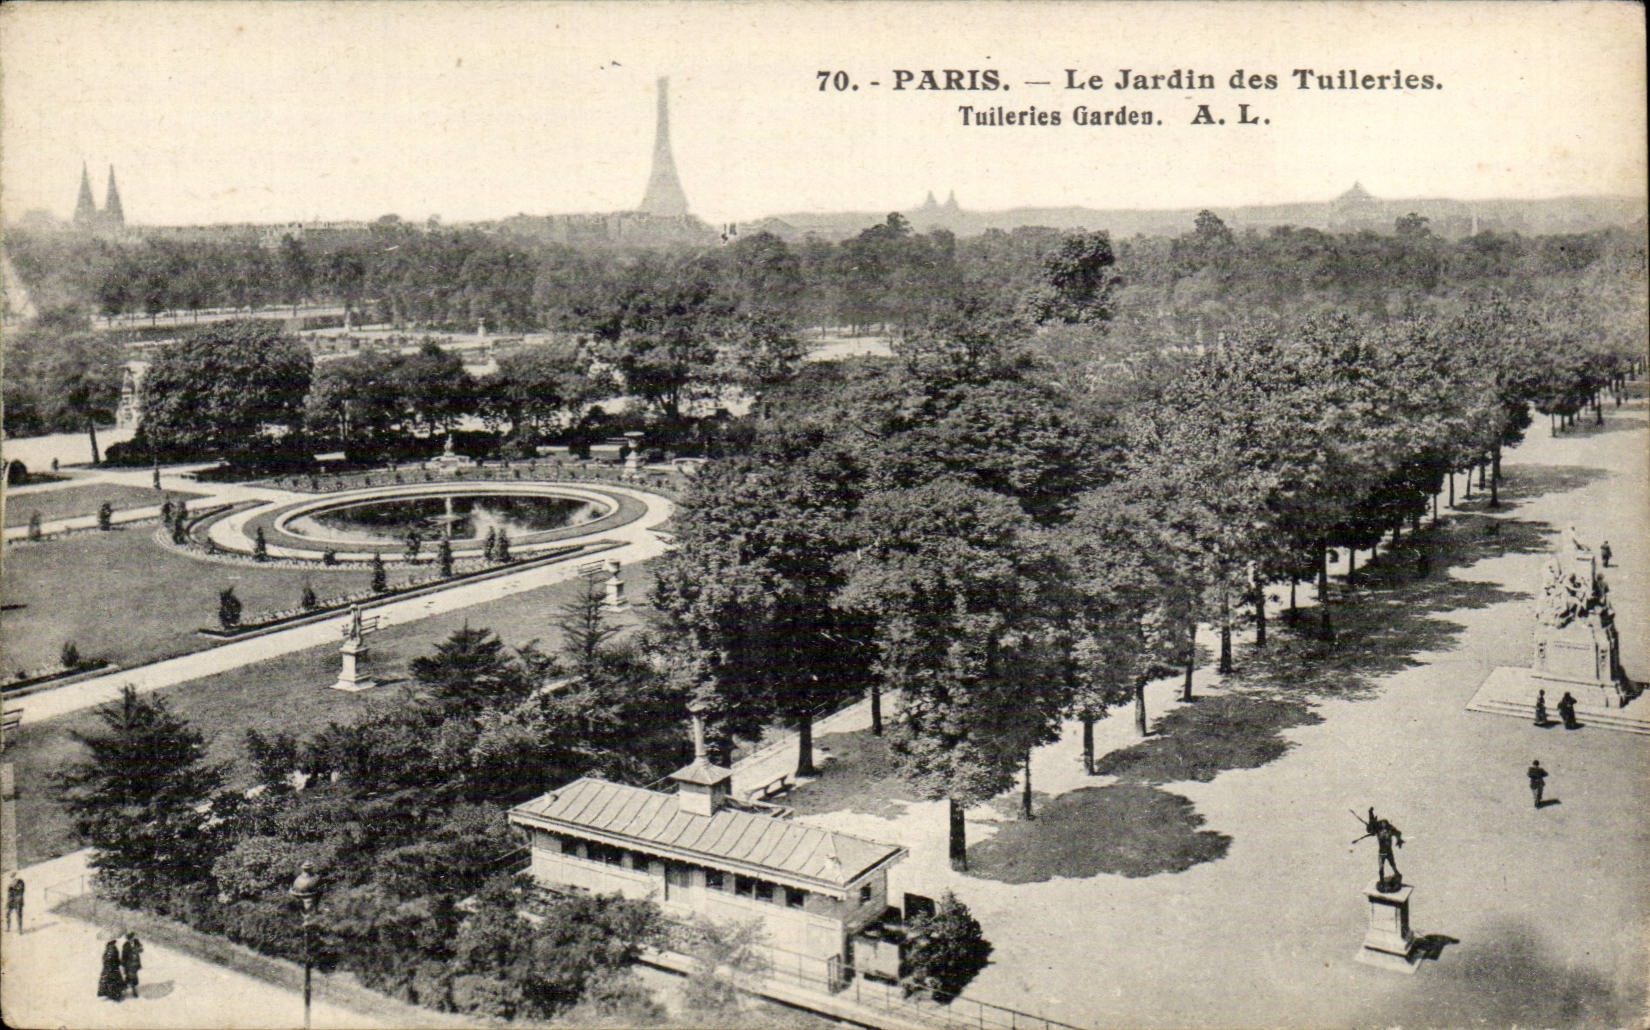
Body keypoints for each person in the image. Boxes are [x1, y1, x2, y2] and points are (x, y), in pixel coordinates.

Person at [121, 932, 144, 997]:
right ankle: (134, 991)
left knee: (130, 977)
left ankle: (124, 987)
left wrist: (139, 949)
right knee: (132, 977)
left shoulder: (136, 941)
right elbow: (124, 956)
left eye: (132, 937)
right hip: (129, 964)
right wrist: (123, 964)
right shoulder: (125, 945)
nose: (131, 939)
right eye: (130, 938)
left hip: (135, 963)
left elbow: (141, 950)